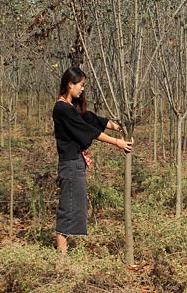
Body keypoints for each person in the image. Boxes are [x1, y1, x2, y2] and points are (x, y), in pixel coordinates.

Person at [52, 65, 132, 254]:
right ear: (70, 84)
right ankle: (61, 258)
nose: (83, 89)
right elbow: (87, 130)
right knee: (67, 208)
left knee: (75, 207)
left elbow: (93, 120)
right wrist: (116, 142)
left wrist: (121, 128)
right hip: (70, 165)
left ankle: (64, 255)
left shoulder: (72, 107)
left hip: (75, 164)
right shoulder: (62, 108)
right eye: (81, 85)